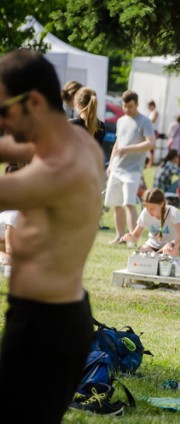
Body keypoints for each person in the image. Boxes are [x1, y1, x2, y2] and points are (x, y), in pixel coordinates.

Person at [0, 50, 104, 421]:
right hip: (52, 318)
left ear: (34, 102)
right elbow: (11, 145)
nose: (3, 124)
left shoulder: (61, 168)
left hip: (46, 330)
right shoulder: (78, 144)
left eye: (3, 112)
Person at [105, 90, 155, 245]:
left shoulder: (145, 121)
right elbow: (117, 144)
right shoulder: (121, 121)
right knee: (116, 204)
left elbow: (151, 143)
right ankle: (120, 236)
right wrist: (111, 163)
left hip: (132, 170)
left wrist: (129, 149)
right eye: (125, 106)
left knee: (129, 204)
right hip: (117, 168)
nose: (127, 110)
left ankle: (132, 239)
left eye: (130, 106)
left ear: (137, 104)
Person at [121, 188, 180, 257]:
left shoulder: (173, 212)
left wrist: (171, 244)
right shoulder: (145, 213)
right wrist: (131, 237)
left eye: (152, 208)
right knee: (143, 250)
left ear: (162, 204)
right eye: (146, 208)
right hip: (152, 247)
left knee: (172, 250)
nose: (149, 211)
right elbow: (136, 235)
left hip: (169, 247)